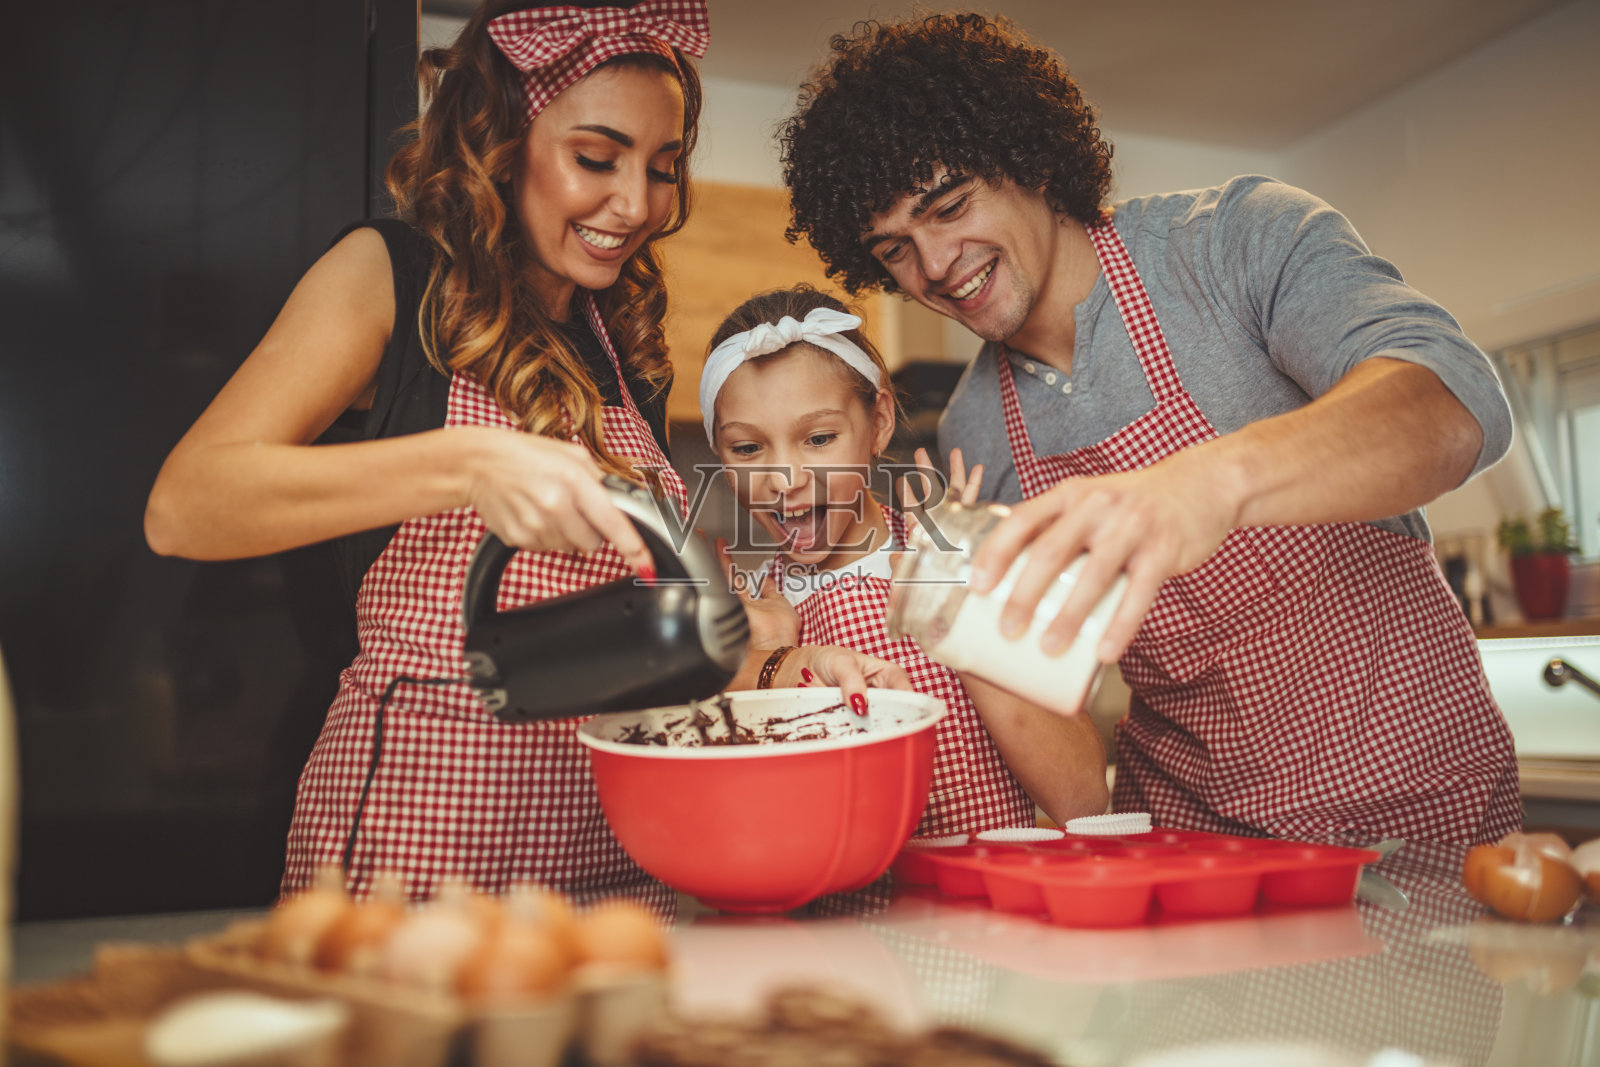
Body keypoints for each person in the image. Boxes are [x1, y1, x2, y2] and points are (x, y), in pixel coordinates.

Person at [144, 0, 903, 908]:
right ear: (501, 141)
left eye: (663, 169)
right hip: (424, 852)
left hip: (626, 861)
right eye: (596, 157)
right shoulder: (391, 277)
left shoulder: (620, 344)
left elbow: (633, 630)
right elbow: (187, 503)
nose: (636, 205)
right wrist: (470, 463)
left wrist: (778, 669)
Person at [778, 12, 1520, 845]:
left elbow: (1456, 403)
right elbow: (1052, 695)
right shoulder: (974, 431)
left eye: (950, 206)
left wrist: (1207, 485)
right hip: (1194, 839)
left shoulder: (1234, 242)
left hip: (1425, 804)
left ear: (1026, 155)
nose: (938, 266)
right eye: (895, 251)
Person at [702, 285, 1109, 831]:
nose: (785, 480)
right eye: (748, 449)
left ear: (879, 424)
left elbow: (1082, 798)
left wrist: (957, 607)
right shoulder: (754, 618)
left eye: (819, 438)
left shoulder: (959, 560)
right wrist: (773, 655)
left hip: (989, 903)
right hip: (835, 916)